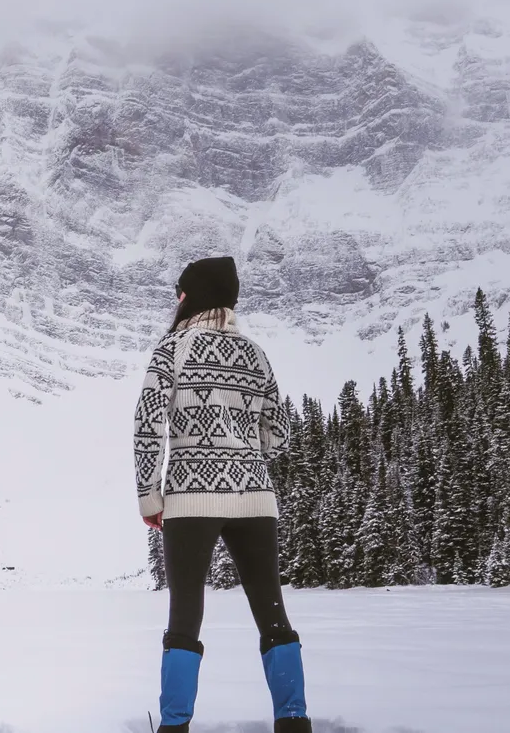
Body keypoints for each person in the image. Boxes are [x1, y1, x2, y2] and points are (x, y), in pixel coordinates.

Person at [132, 256, 312, 733]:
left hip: (191, 499)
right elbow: (280, 433)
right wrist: (243, 452)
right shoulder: (255, 353)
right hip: (255, 497)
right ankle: (294, 720)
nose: (177, 300)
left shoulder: (172, 348)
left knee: (185, 611)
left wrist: (150, 497)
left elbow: (147, 427)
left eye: (181, 292)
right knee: (271, 610)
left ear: (194, 297)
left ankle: (174, 725)